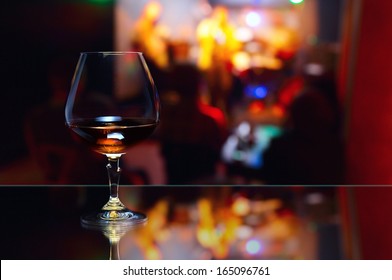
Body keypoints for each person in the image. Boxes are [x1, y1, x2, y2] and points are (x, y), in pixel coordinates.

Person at [156, 62, 228, 185]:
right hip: (205, 188)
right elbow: (221, 153)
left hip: (174, 188)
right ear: (198, 85)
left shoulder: (167, 117)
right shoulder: (211, 119)